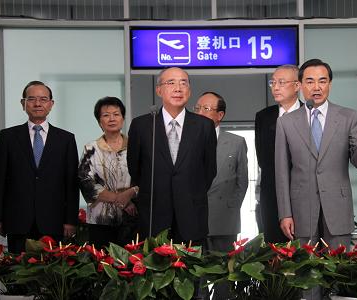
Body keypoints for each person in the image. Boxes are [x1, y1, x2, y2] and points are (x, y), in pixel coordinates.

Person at [275, 59, 357, 300]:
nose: (316, 87)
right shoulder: (286, 122)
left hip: (337, 208)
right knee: (307, 275)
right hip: (301, 209)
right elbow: (280, 171)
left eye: (322, 81)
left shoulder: (349, 117)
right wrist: (285, 213)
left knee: (338, 272)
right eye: (310, 81)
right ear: (300, 86)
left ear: (330, 84)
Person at [127, 67, 217, 244]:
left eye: (183, 83)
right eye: (171, 82)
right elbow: (135, 169)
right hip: (154, 217)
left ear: (189, 91)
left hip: (192, 215)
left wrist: (187, 191)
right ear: (159, 90)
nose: (178, 88)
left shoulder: (204, 126)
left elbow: (209, 170)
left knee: (193, 269)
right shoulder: (142, 125)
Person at [0, 81, 79, 254]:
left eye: (43, 99)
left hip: (53, 220)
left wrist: (70, 220)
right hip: (17, 220)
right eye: (31, 99)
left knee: (51, 277)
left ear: (51, 104)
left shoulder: (66, 139)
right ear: (23, 103)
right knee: (17, 276)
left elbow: (71, 183)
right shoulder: (7, 137)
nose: (37, 103)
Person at [194, 91, 248, 300]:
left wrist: (231, 209)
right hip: (193, 218)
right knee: (196, 273)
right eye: (197, 108)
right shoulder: (185, 140)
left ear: (220, 115)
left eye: (206, 109)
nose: (199, 112)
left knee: (223, 275)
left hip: (224, 219)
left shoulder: (236, 142)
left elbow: (242, 181)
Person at [78, 97, 138, 248]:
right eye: (106, 115)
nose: (112, 118)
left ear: (123, 119)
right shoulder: (91, 148)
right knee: (101, 264)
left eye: (116, 114)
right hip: (100, 219)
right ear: (99, 122)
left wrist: (130, 194)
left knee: (131, 264)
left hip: (132, 217)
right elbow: (85, 181)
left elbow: (146, 177)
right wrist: (118, 198)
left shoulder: (136, 146)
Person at [255, 64, 302, 243]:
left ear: (297, 86)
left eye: (281, 82)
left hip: (304, 195)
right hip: (272, 195)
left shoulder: (310, 114)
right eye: (272, 82)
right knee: (274, 255)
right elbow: (263, 160)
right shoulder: (263, 117)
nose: (275, 87)